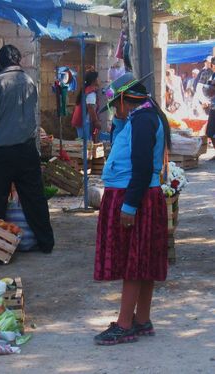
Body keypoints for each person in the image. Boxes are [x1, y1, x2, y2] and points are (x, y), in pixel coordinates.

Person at [94, 72, 171, 345]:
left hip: (135, 196)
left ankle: (125, 325)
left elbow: (140, 166)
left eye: (117, 104)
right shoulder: (141, 117)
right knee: (143, 260)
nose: (116, 110)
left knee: (135, 262)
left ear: (126, 99)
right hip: (139, 195)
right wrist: (118, 120)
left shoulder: (144, 120)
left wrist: (129, 205)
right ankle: (142, 320)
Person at [0, 44, 54, 253]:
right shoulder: (30, 82)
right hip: (27, 149)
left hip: (1, 151)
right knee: (35, 197)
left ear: (1, 62)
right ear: (18, 59)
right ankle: (46, 242)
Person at [71, 70, 101, 141]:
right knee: (85, 143)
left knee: (84, 141)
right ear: (94, 81)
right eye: (98, 78)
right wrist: (96, 121)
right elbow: (90, 107)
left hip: (82, 120)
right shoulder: (91, 92)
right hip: (83, 121)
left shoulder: (87, 89)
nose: (99, 80)